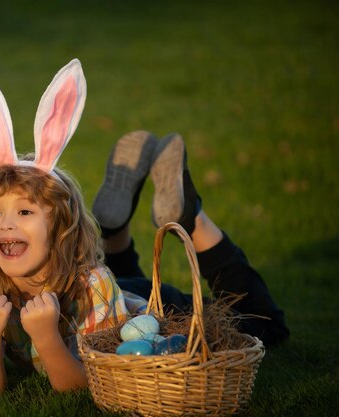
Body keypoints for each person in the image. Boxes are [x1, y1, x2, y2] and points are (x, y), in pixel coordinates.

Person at [0, 54, 133, 394]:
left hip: (127, 302)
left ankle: (182, 222)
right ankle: (117, 228)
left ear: (60, 223)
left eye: (25, 212)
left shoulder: (93, 286)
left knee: (242, 314)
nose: (6, 224)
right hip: (94, 277)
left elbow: (92, 387)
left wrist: (47, 338)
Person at [92, 130, 290, 347]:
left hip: (108, 300)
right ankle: (182, 220)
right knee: (266, 324)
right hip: (116, 296)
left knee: (120, 295)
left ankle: (118, 226)